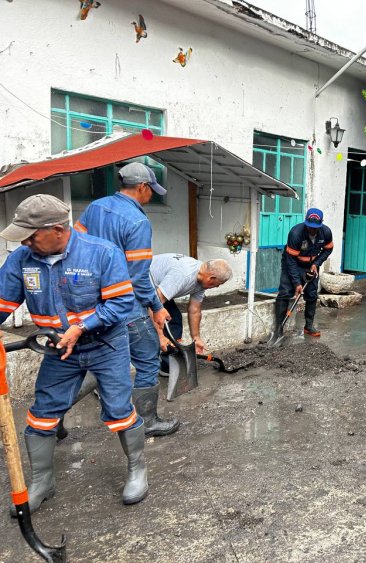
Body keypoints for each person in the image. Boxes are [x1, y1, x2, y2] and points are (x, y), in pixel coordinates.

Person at [0, 194, 148, 514]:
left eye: (31, 234)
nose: (24, 241)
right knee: (42, 414)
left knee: (119, 409)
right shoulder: (22, 259)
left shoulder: (102, 253)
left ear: (57, 229)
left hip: (106, 346)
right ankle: (42, 482)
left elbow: (121, 304)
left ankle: (137, 469)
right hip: (59, 350)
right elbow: (2, 304)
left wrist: (81, 326)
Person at [73, 161, 178, 437]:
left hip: (91, 304)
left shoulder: (94, 208)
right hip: (124, 305)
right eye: (151, 190)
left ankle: (55, 413)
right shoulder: (138, 221)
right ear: (142, 187)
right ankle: (148, 421)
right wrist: (156, 307)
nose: (151, 195)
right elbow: (138, 276)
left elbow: (75, 247)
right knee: (146, 359)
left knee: (99, 360)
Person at [271, 208, 334, 341]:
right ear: (306, 223)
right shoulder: (296, 233)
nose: (312, 230)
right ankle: (278, 329)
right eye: (310, 227)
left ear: (321, 224)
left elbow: (328, 249)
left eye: (315, 227)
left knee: (311, 294)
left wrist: (316, 263)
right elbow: (291, 260)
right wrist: (297, 283)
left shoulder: (326, 232)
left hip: (310, 266)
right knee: (285, 292)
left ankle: (309, 326)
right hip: (292, 262)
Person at [150, 254, 233, 355]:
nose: (216, 287)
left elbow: (194, 310)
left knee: (174, 319)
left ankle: (171, 358)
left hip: (158, 291)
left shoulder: (202, 278)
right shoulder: (183, 275)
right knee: (147, 327)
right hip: (138, 287)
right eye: (218, 284)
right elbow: (153, 305)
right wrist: (160, 337)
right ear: (211, 278)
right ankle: (154, 363)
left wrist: (196, 338)